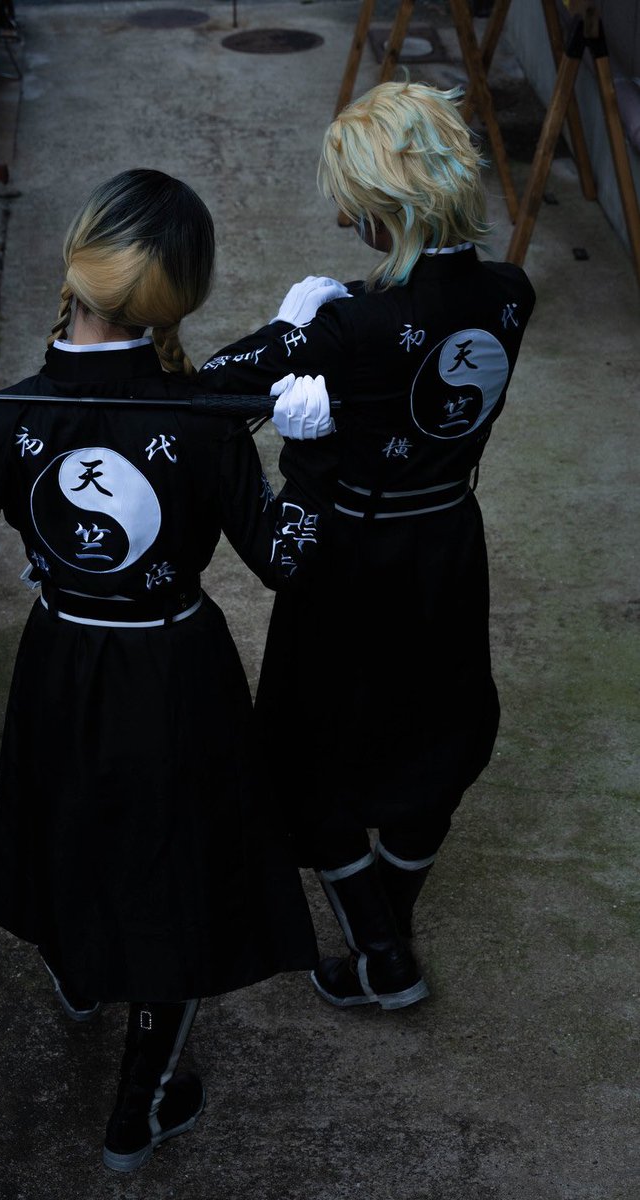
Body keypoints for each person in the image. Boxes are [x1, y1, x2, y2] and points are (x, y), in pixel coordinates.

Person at [0, 169, 336, 1173]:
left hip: (63, 662)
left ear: (76, 263)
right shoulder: (207, 424)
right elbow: (287, 559)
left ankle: (81, 974)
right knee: (177, 875)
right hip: (175, 674)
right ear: (182, 295)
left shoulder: (6, 416)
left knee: (67, 829)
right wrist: (311, 456)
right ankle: (142, 1106)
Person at [199, 82, 536, 1012]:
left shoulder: (347, 327)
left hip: (351, 551)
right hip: (448, 542)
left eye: (352, 201)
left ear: (386, 205)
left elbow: (214, 388)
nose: (342, 218)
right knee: (442, 733)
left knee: (307, 741)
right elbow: (432, 335)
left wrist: (291, 326)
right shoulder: (513, 294)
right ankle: (389, 930)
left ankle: (380, 944)